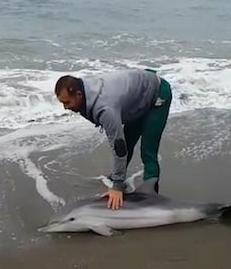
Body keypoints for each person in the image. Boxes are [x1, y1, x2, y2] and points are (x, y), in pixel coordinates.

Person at [54, 68, 172, 210]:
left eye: (67, 103)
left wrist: (116, 188)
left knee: (147, 150)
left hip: (157, 94)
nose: (65, 108)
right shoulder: (84, 89)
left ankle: (151, 200)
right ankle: (117, 179)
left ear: (79, 95)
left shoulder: (105, 108)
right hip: (138, 95)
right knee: (128, 142)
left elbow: (118, 147)